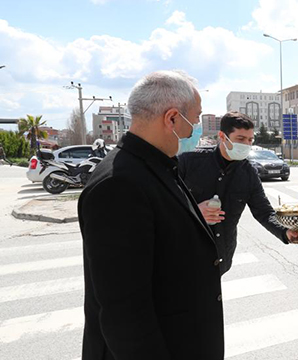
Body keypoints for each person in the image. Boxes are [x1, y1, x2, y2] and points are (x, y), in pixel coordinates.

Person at [78, 70, 224, 360]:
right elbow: (126, 313)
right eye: (194, 121)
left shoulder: (155, 166)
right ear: (171, 118)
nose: (195, 130)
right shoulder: (119, 184)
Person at [178, 111, 298, 277]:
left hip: (220, 259)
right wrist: (193, 211)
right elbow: (164, 201)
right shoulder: (188, 163)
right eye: (240, 139)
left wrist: (285, 232)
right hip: (185, 256)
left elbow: (264, 212)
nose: (246, 145)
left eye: (250, 140)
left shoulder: (248, 173)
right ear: (222, 136)